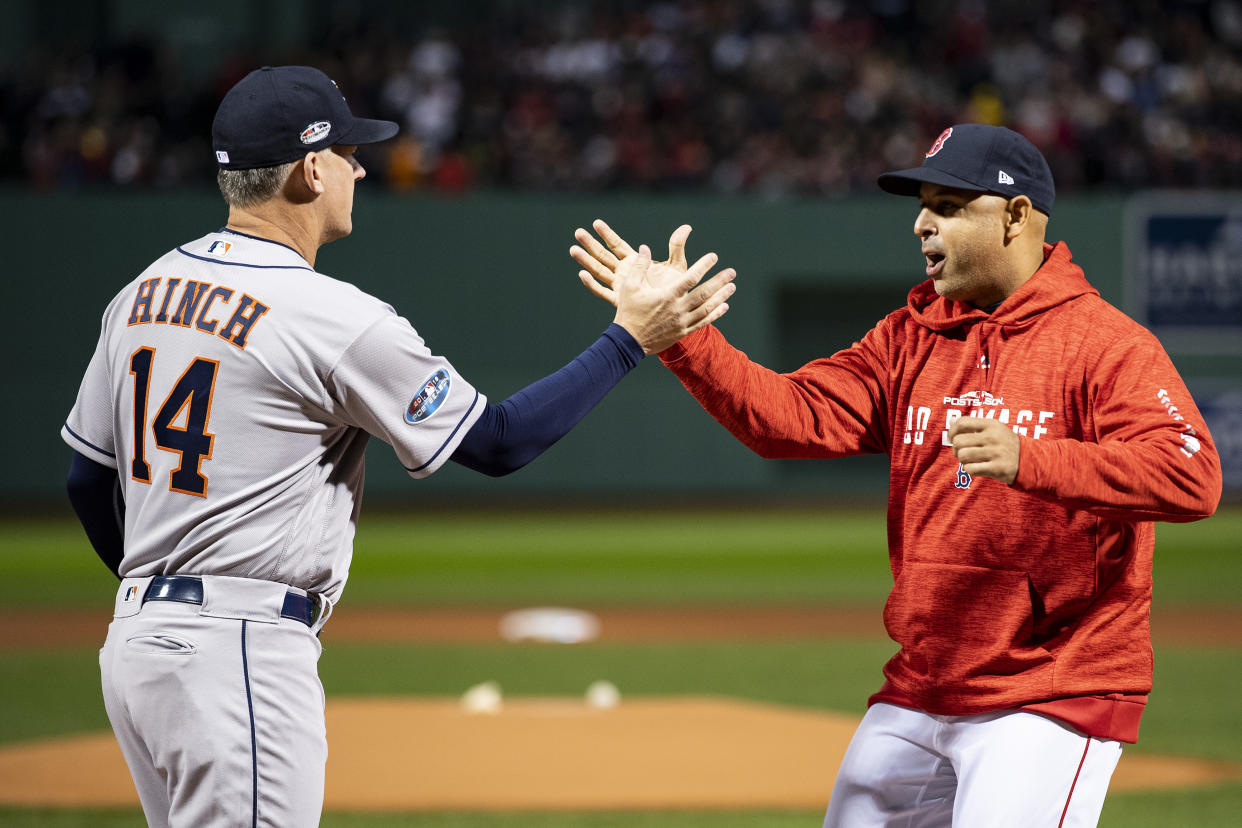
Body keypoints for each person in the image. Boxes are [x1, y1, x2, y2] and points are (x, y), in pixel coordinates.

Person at [61, 65, 734, 827]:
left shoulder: (141, 293)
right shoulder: (330, 315)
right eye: (348, 152)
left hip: (135, 650)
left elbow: (90, 480)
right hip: (236, 655)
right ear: (311, 170)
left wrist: (159, 593)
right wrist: (628, 340)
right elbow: (499, 442)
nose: (360, 167)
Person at [571, 123, 1223, 827]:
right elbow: (788, 417)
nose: (920, 224)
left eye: (946, 206)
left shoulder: (1105, 345)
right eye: (922, 206)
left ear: (1014, 215)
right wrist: (682, 337)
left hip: (1050, 691)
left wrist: (1031, 459)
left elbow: (1191, 476)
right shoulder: (907, 338)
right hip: (922, 684)